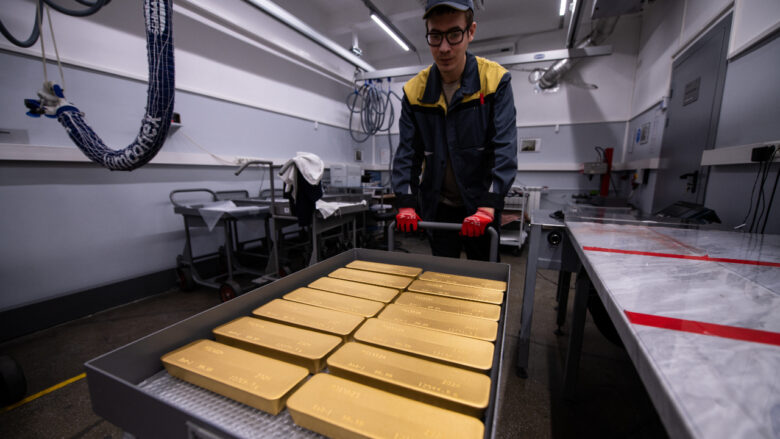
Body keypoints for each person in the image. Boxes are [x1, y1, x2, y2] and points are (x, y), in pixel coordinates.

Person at [391, 0, 517, 261]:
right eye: (435, 36)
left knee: (484, 277)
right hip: (439, 205)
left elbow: (504, 148)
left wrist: (489, 204)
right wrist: (406, 202)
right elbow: (407, 154)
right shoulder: (414, 92)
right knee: (442, 275)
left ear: (471, 32)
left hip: (480, 204)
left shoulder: (494, 81)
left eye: (454, 34)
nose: (444, 47)